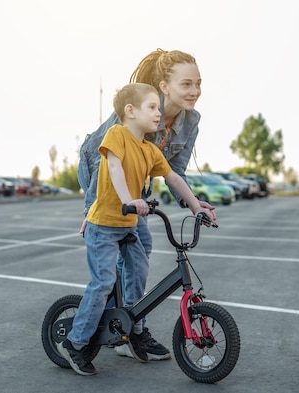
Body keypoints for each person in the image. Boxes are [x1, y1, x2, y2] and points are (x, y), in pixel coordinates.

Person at [58, 83, 216, 376]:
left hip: (128, 226)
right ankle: (76, 343)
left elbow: (173, 178)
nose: (159, 113)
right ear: (130, 112)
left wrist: (196, 206)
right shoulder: (116, 135)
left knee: (139, 274)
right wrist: (129, 199)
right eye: (152, 107)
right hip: (103, 225)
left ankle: (133, 329)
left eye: (159, 108)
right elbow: (115, 168)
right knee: (103, 282)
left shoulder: (150, 150)